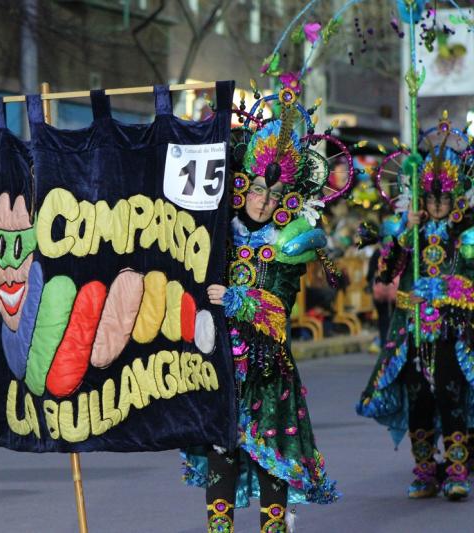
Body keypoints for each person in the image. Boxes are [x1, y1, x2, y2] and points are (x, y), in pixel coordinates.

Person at [182, 88, 342, 532]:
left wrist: (235, 297)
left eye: (274, 194)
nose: (263, 200)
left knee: (270, 452)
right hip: (217, 361)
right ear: (242, 185)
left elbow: (278, 308)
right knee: (220, 449)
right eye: (257, 189)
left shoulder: (290, 241)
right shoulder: (218, 231)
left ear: (286, 198)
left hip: (267, 367)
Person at [358, 116, 474, 501]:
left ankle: (457, 469)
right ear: (422, 200)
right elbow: (385, 271)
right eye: (432, 200)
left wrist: (445, 289)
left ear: (454, 199)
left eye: (444, 200)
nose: (438, 207)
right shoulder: (409, 231)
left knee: (450, 394)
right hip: (412, 330)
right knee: (419, 399)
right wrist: (403, 234)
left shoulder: (466, 234)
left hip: (451, 329)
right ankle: (425, 470)